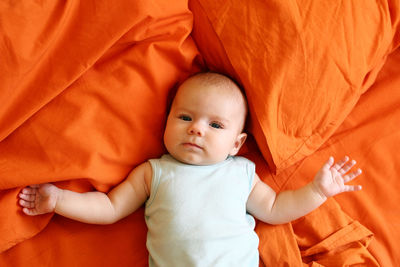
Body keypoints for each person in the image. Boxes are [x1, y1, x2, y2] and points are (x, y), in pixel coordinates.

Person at [18, 72, 362, 266]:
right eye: (185, 117)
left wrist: (316, 191)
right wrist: (60, 200)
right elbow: (109, 208)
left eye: (215, 125)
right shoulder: (153, 172)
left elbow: (275, 209)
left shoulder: (240, 173)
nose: (196, 128)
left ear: (237, 144)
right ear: (166, 122)